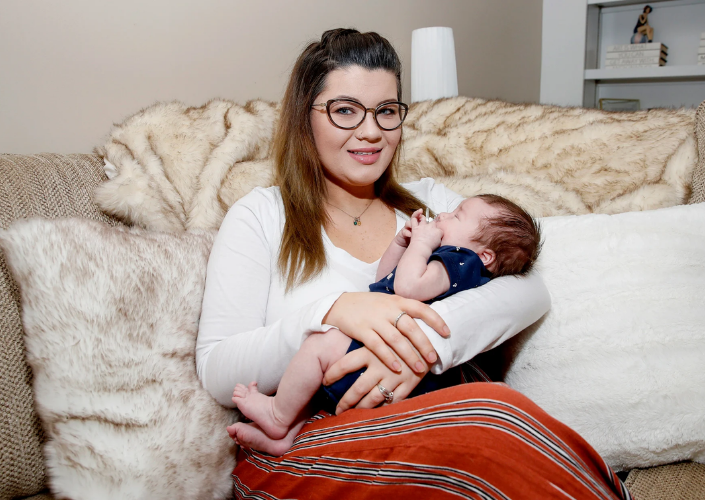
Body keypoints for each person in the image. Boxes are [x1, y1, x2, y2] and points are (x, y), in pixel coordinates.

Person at [197, 28, 632, 499]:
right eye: (345, 110)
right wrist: (332, 311)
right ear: (306, 118)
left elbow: (530, 289)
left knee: (496, 417)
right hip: (301, 443)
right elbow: (218, 367)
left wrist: (425, 342)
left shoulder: (433, 208)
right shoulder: (261, 215)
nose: (371, 132)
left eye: (386, 111)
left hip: (429, 420)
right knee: (490, 423)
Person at [226, 197, 542, 455]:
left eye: (457, 216)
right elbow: (384, 280)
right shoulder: (445, 260)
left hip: (396, 365)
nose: (444, 214)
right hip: (383, 356)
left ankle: (279, 416)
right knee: (318, 375)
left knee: (319, 344)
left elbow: (406, 288)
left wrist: (420, 243)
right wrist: (402, 243)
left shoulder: (462, 263)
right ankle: (288, 434)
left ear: (484, 256)